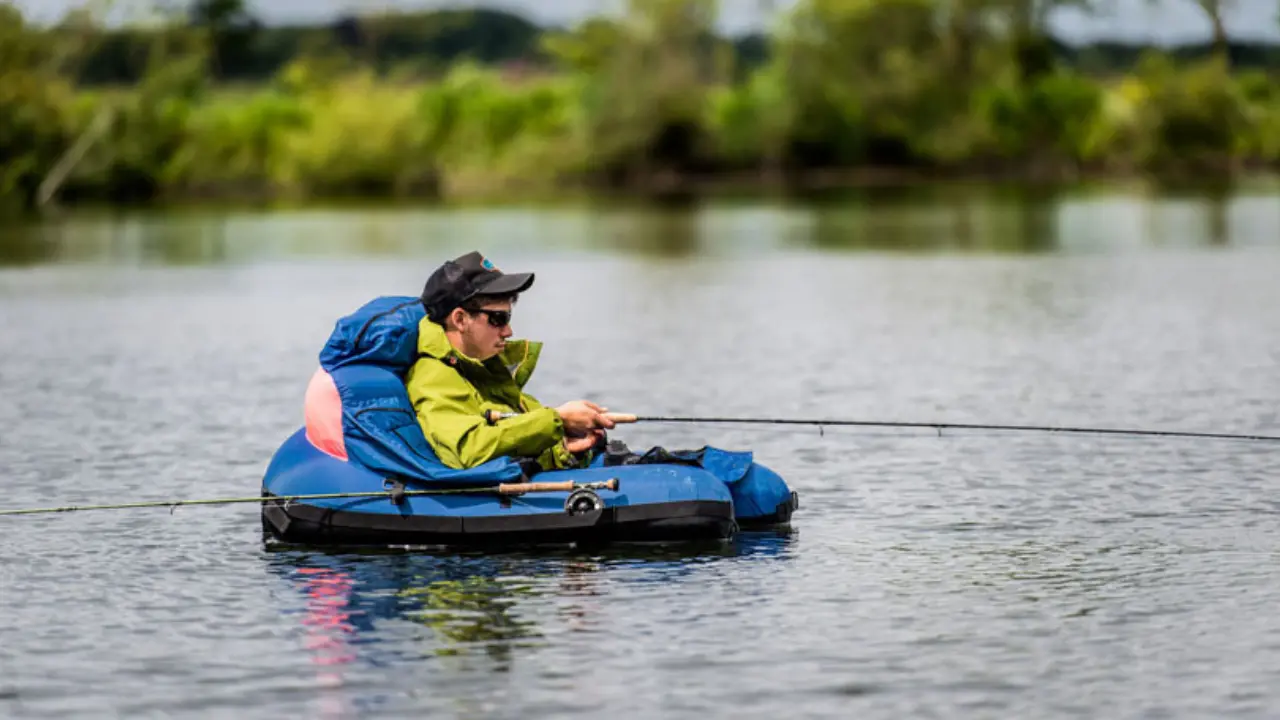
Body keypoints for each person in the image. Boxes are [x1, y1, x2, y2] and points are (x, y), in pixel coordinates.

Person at [404, 250, 616, 472]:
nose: (508, 331)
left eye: (508, 318)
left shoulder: (485, 369)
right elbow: (467, 450)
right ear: (460, 319)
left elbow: (510, 441)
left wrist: (563, 449)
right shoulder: (432, 375)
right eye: (498, 319)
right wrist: (558, 420)